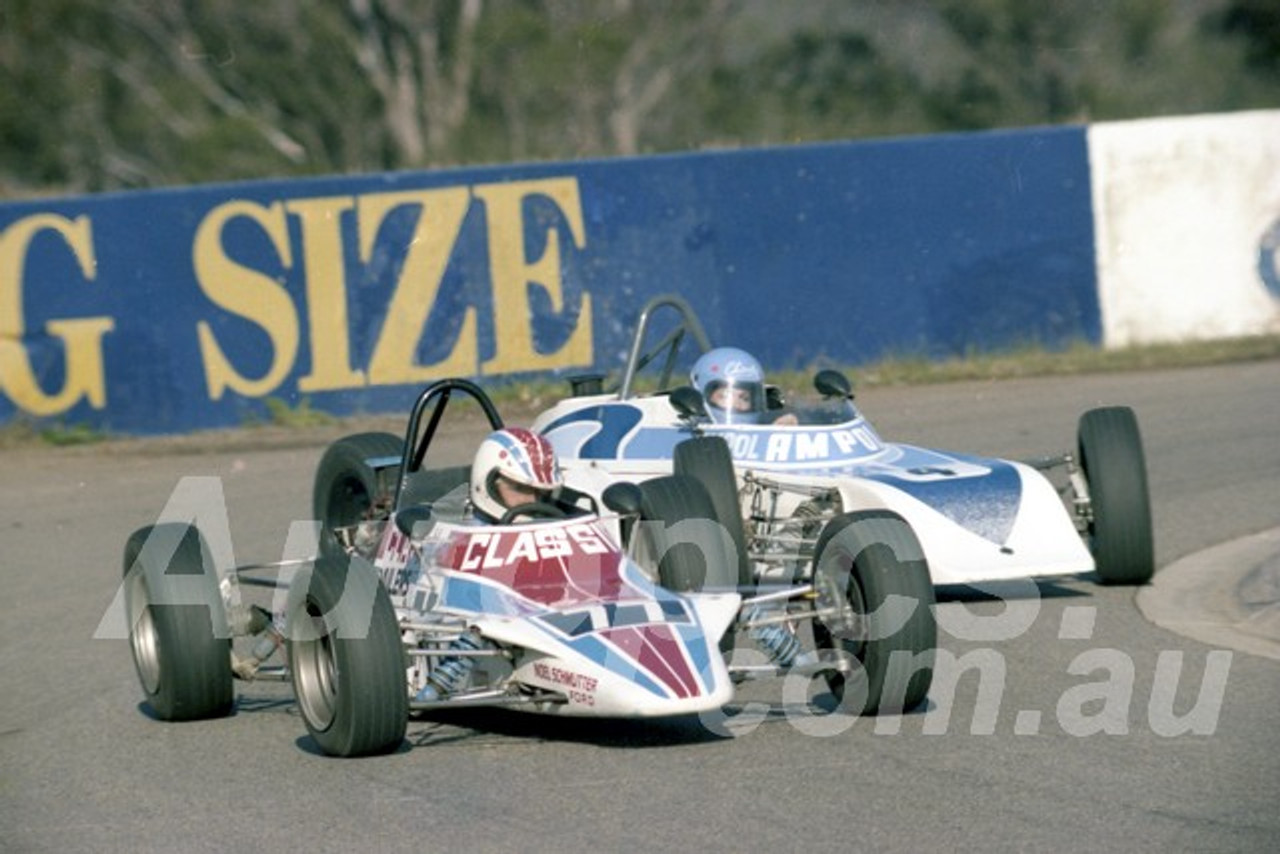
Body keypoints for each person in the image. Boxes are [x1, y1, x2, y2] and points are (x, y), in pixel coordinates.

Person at [419, 427, 562, 703]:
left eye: (540, 493)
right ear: (489, 484)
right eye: (520, 489)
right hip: (468, 626)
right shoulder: (463, 540)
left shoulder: (548, 528)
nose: (531, 502)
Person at [469, 426, 563, 523]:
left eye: (541, 492)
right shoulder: (471, 534)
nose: (532, 500)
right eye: (519, 488)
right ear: (488, 487)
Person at [690, 347, 798, 425]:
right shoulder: (680, 442)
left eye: (744, 398)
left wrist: (778, 436)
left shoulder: (761, 442)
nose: (736, 404)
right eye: (725, 395)